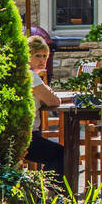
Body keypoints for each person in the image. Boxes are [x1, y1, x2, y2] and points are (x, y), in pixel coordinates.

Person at [26, 36, 66, 182]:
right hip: (26, 138)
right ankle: (50, 194)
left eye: (45, 56)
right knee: (61, 154)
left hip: (17, 135)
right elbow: (53, 101)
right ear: (27, 55)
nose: (42, 60)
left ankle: (44, 191)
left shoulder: (22, 74)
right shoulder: (31, 76)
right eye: (37, 56)